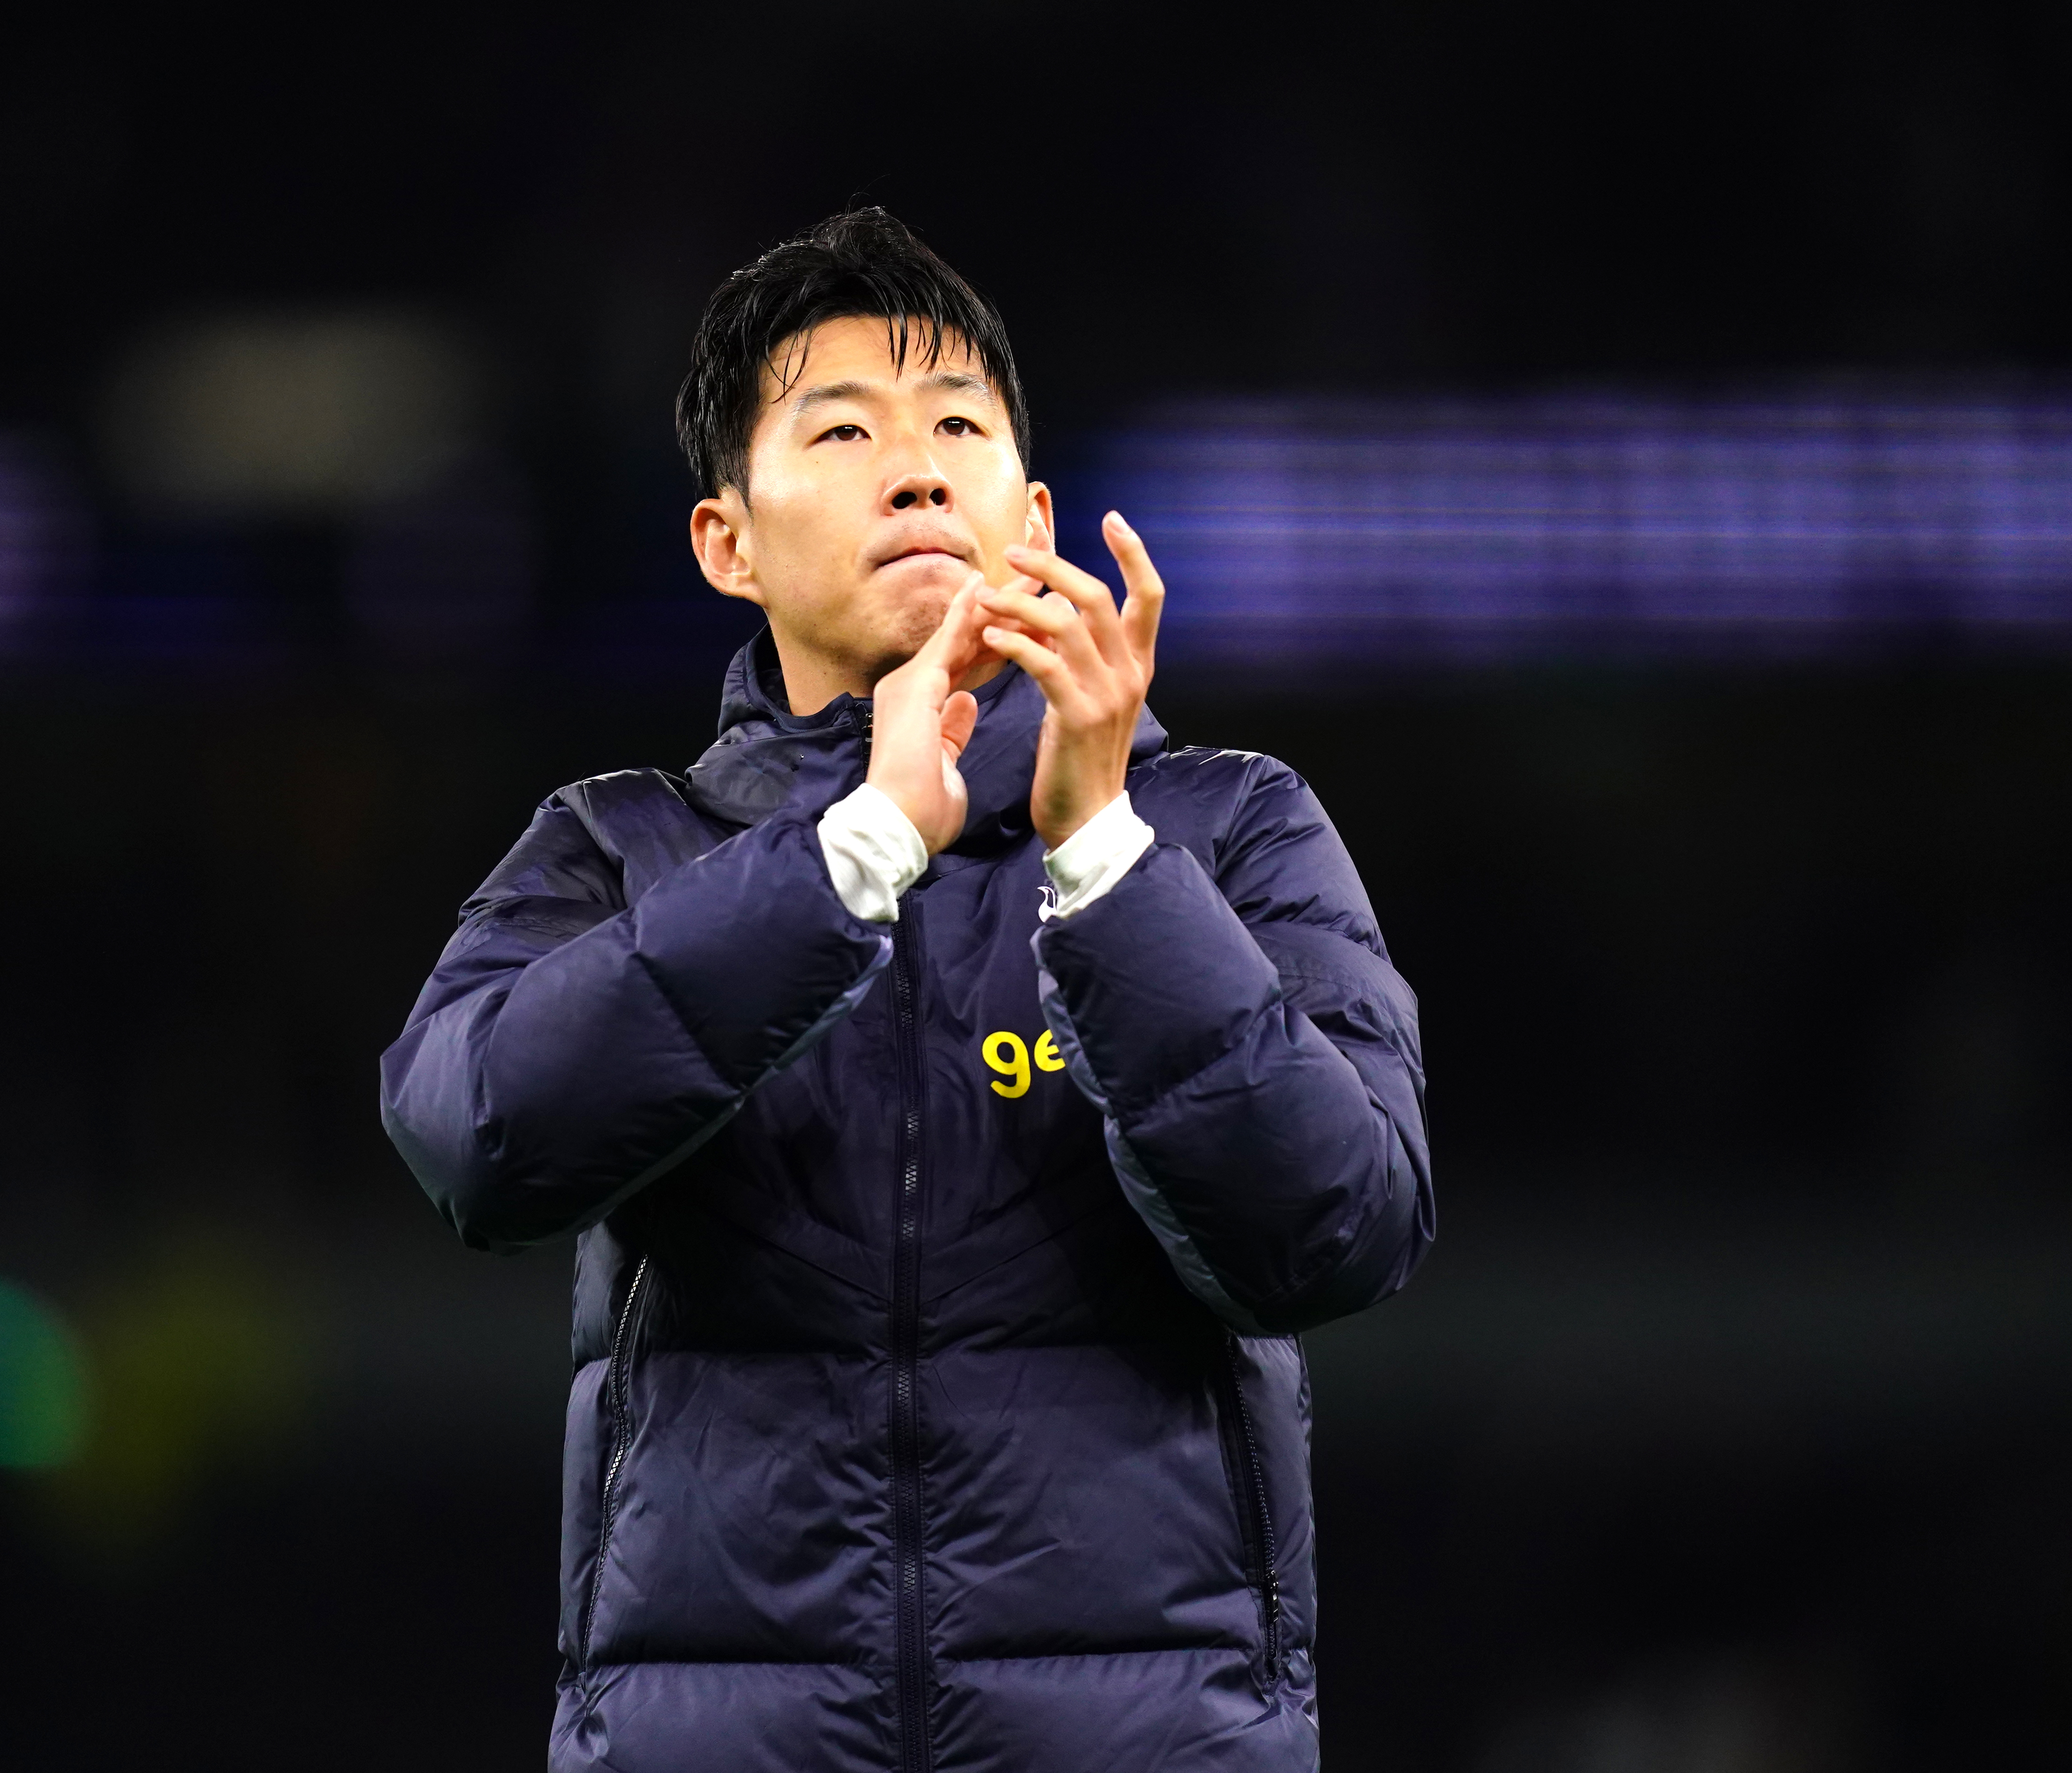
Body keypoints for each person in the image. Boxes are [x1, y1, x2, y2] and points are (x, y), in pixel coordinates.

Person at [380, 208, 1433, 1773]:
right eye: (845, 428)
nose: (922, 468)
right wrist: (853, 854)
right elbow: (478, 1140)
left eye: (959, 427)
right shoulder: (619, 849)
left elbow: (1339, 1230)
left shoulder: (1230, 831)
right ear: (725, 542)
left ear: (1036, 512)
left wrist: (1107, 864)